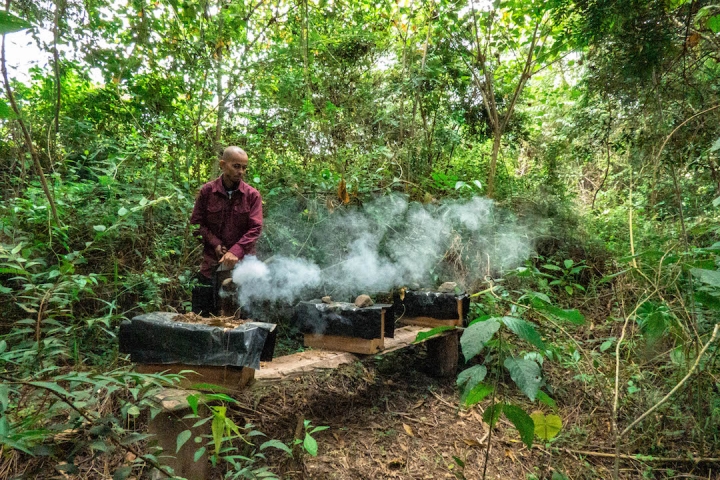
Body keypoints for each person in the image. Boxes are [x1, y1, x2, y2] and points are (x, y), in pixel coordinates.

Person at [191, 146, 263, 283]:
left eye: (244, 167)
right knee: (205, 299)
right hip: (211, 265)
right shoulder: (207, 191)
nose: (241, 171)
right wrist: (215, 243)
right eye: (236, 166)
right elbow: (196, 224)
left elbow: (255, 228)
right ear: (223, 165)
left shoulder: (252, 195)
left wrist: (236, 250)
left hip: (243, 267)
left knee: (241, 303)